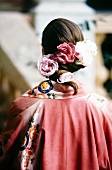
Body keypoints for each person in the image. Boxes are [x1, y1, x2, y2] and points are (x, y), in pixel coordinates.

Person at [0, 18, 112, 170]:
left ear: (43, 52)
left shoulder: (25, 107)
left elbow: (6, 159)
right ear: (79, 56)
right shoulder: (101, 108)